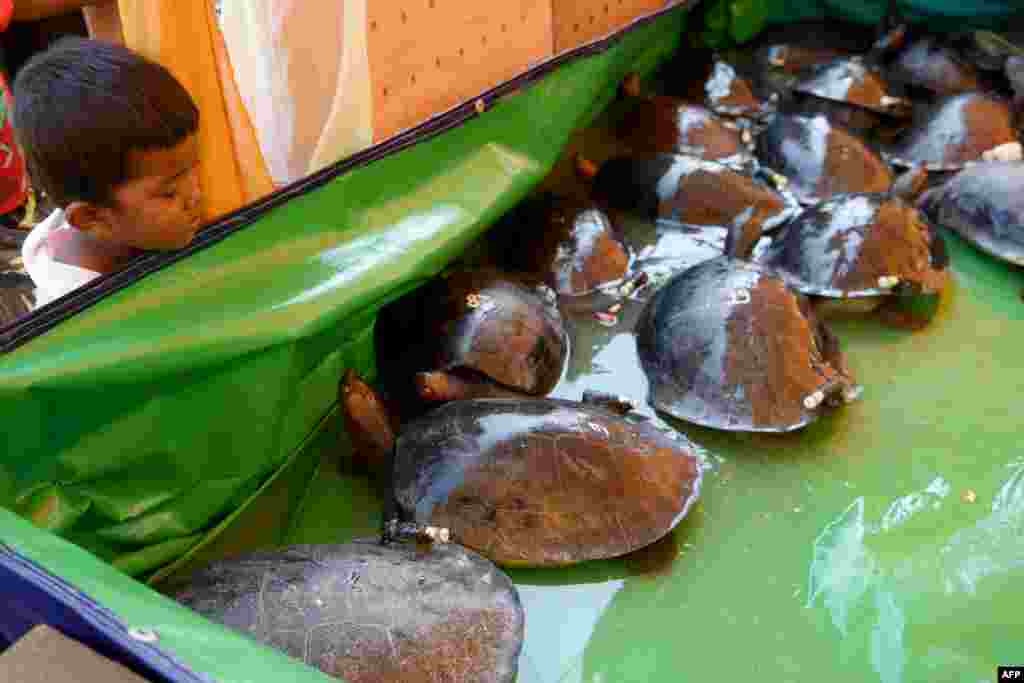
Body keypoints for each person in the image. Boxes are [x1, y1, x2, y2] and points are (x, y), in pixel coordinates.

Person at [13, 38, 202, 307]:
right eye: (169, 193)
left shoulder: (121, 218)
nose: (195, 194)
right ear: (91, 218)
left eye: (195, 167)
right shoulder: (95, 319)